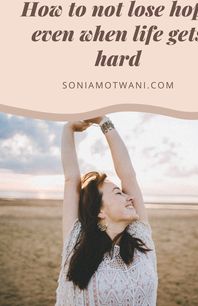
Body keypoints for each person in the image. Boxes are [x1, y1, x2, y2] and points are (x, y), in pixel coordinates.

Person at [55, 115, 158, 305]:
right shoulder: (76, 241)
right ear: (99, 211)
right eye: (119, 193)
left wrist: (103, 121)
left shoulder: (140, 237)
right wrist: (68, 128)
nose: (130, 197)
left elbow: (128, 174)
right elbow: (71, 179)